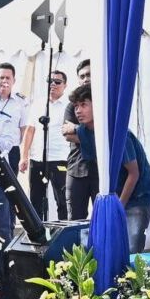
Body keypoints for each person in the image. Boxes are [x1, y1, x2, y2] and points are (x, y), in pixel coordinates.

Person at [69, 83, 150, 254]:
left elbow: (133, 173)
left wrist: (119, 206)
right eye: (76, 106)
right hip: (116, 197)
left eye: (84, 104)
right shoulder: (87, 132)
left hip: (137, 197)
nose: (78, 110)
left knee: (131, 249)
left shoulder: (117, 132)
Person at [25, 68, 73, 220]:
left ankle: (63, 235)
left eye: (57, 82)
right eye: (50, 81)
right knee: (35, 201)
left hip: (60, 158)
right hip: (38, 158)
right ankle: (37, 237)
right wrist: (23, 156)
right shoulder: (38, 103)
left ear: (65, 85)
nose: (53, 84)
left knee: (62, 200)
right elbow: (30, 130)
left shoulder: (69, 105)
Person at [67, 60, 99, 217]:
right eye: (82, 76)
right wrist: (95, 137)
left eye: (89, 74)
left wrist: (77, 130)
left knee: (101, 217)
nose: (86, 79)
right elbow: (68, 134)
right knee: (75, 219)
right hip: (77, 168)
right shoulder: (72, 103)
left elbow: (107, 136)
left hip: (101, 170)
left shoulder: (105, 101)